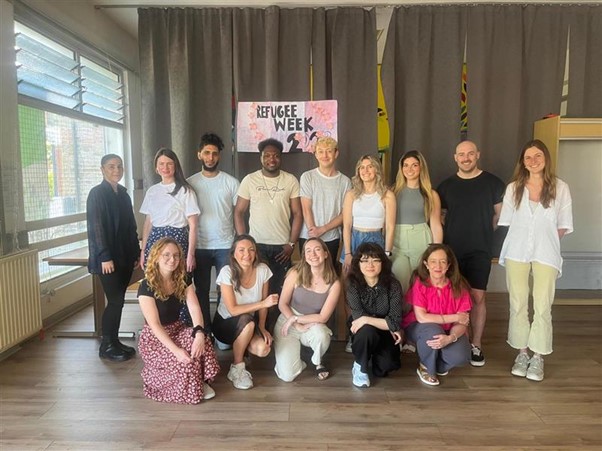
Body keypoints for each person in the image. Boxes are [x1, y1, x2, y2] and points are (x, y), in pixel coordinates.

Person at [498, 140, 573, 382]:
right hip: (516, 252)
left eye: (537, 156)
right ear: (523, 162)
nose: (533, 161)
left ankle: (538, 356)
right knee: (518, 302)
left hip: (546, 253)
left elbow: (562, 226)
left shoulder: (560, 188)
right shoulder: (513, 189)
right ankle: (522, 353)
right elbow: (508, 222)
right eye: (528, 157)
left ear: (545, 158)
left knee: (542, 305)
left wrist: (544, 240)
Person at [437, 140, 505, 367]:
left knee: (477, 297)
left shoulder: (493, 183)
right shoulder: (445, 186)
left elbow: (499, 217)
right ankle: (457, 340)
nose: (466, 158)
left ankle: (476, 343)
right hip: (451, 251)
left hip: (479, 250)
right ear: (455, 157)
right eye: (461, 154)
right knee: (453, 297)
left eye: (470, 154)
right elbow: (441, 218)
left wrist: (480, 233)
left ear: (478, 155)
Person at [137, 238, 220, 404]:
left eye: (176, 255)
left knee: (202, 340)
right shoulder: (146, 286)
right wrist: (175, 350)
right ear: (156, 257)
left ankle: (198, 381)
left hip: (177, 329)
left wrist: (198, 333)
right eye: (166, 255)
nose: (172, 259)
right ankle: (187, 385)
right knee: (183, 360)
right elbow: (154, 325)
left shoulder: (183, 279)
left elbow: (195, 308)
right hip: (155, 339)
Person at [234, 138, 303, 330]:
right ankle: (252, 332)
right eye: (267, 155)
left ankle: (276, 334)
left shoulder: (290, 180)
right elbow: (239, 212)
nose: (271, 159)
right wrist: (244, 244)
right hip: (256, 247)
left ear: (280, 158)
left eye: (275, 155)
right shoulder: (250, 179)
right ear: (261, 158)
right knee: (256, 293)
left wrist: (291, 244)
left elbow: (298, 214)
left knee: (280, 294)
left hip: (282, 248)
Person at [87, 154, 140, 362]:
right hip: (107, 259)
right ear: (102, 169)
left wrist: (135, 252)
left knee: (118, 302)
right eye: (111, 167)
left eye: (119, 166)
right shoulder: (97, 194)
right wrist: (105, 256)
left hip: (125, 257)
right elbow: (96, 227)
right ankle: (106, 345)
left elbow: (131, 226)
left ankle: (115, 341)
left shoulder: (123, 194)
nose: (116, 170)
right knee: (115, 301)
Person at [187, 133, 240, 339]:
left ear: (219, 156)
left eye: (214, 154)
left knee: (225, 291)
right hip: (199, 246)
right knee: (200, 291)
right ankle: (205, 331)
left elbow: (237, 214)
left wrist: (239, 242)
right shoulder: (190, 183)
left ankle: (221, 331)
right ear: (199, 154)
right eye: (206, 153)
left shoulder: (231, 182)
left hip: (225, 245)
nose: (210, 157)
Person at [342, 154, 396, 353]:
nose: (365, 171)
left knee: (375, 287)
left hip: (376, 242)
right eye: (362, 167)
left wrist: (387, 252)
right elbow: (346, 225)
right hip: (354, 240)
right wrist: (347, 252)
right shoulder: (351, 194)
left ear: (376, 170)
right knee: (350, 288)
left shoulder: (387, 195)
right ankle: (353, 331)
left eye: (369, 167)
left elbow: (389, 226)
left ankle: (375, 330)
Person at [212, 234, 279, 390]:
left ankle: (242, 347)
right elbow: (233, 310)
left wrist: (262, 327)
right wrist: (263, 303)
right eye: (241, 250)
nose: (246, 254)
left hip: (249, 323)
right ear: (234, 254)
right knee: (247, 322)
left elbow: (264, 306)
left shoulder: (263, 270)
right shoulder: (227, 272)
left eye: (251, 250)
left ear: (256, 253)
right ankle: (237, 367)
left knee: (263, 349)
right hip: (225, 324)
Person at [402, 244, 472, 386]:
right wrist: (455, 317)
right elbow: (422, 317)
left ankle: (438, 364)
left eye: (442, 261)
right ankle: (426, 368)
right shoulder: (420, 283)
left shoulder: (459, 286)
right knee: (433, 331)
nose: (437, 266)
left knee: (462, 356)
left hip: (449, 330)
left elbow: (462, 322)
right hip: (420, 327)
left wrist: (450, 338)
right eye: (433, 261)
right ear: (426, 264)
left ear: (448, 265)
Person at [273, 238, 341, 382]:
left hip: (312, 322)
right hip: (288, 320)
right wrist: (294, 322)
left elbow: (323, 317)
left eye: (317, 249)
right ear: (304, 255)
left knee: (322, 335)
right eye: (308, 251)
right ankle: (299, 358)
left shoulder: (334, 283)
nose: (313, 254)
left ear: (326, 253)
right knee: (287, 376)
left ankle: (317, 361)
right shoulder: (295, 273)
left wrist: (298, 320)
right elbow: (282, 304)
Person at [347, 243, 403, 388]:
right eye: (364, 260)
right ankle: (360, 366)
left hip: (385, 332)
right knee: (367, 330)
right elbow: (359, 320)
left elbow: (395, 322)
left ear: (382, 263)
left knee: (386, 366)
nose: (370, 265)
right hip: (363, 332)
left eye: (375, 260)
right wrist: (385, 323)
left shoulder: (393, 285)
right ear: (358, 264)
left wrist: (367, 319)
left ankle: (371, 355)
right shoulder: (353, 286)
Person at [139, 148, 199, 273]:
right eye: (161, 164)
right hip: (155, 240)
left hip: (178, 239)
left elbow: (193, 226)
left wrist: (191, 255)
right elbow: (148, 223)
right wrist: (143, 250)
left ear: (175, 166)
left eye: (169, 163)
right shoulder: (152, 191)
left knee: (178, 281)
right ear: (156, 167)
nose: (165, 167)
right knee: (155, 281)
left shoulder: (186, 191)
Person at [391, 150, 443, 291]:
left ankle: (418, 313)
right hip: (397, 239)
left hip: (421, 238)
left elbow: (436, 225)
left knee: (420, 282)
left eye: (414, 165)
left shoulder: (431, 194)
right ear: (401, 169)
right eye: (406, 165)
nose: (409, 169)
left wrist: (436, 250)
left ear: (421, 168)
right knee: (400, 281)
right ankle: (402, 312)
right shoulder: (393, 192)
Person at [299, 137, 351, 263]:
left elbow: (345, 213)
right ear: (315, 154)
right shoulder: (307, 177)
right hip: (308, 236)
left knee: (328, 276)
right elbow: (306, 208)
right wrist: (313, 232)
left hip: (332, 238)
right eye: (320, 151)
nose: (325, 155)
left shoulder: (345, 181)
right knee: (307, 276)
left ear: (336, 153)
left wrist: (323, 229)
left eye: (329, 151)